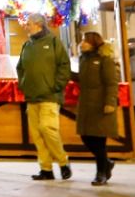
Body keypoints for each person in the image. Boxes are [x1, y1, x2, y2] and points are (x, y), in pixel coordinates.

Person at [18, 14, 72, 181]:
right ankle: (46, 169)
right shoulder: (27, 45)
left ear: (38, 25)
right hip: (32, 96)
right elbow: (20, 67)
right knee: (37, 135)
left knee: (48, 129)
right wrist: (23, 84)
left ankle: (63, 162)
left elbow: (64, 65)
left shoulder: (54, 42)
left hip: (50, 96)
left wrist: (57, 86)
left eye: (28, 24)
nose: (26, 26)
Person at [76, 32, 120, 185]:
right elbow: (81, 78)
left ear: (94, 43)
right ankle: (107, 162)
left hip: (100, 105)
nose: (82, 43)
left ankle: (101, 172)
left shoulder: (104, 59)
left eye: (85, 41)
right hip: (86, 105)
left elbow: (112, 83)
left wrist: (110, 102)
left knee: (99, 140)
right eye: (82, 41)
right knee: (85, 136)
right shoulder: (84, 59)